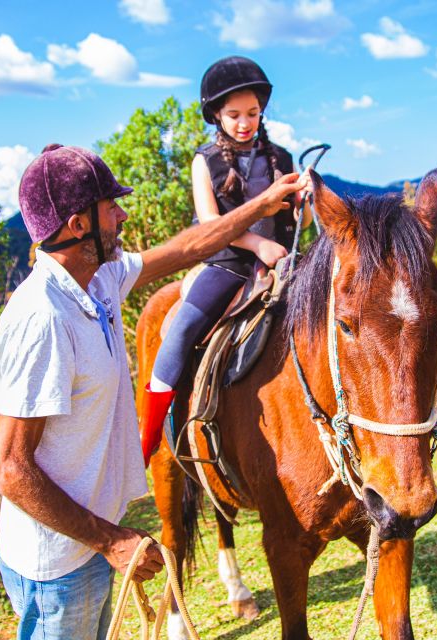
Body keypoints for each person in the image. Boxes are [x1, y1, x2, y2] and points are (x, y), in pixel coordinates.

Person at [0, 143, 307, 640]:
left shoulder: (98, 282)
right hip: (57, 566)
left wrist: (260, 206)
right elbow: (10, 469)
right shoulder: (42, 319)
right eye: (110, 207)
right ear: (78, 225)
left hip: (84, 545)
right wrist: (110, 541)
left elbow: (188, 248)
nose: (122, 214)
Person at [138, 56, 311, 465]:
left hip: (284, 261)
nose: (244, 123)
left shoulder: (281, 158)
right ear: (216, 114)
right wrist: (258, 246)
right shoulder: (205, 161)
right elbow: (210, 224)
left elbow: (296, 213)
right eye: (233, 115)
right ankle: (147, 442)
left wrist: (303, 199)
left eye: (252, 113)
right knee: (180, 330)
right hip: (227, 265)